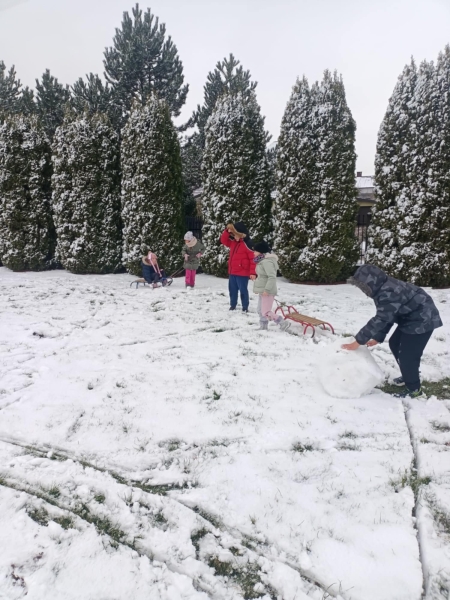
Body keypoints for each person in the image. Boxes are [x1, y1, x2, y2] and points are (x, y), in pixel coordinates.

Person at [342, 264, 443, 399]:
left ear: (371, 282)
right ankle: (409, 375)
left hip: (423, 319)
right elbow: (388, 315)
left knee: (407, 355)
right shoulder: (382, 288)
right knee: (395, 344)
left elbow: (381, 318)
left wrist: (359, 341)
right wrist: (379, 337)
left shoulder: (388, 292)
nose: (363, 290)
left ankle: (414, 390)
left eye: (363, 287)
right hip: (410, 318)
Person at [253, 241, 291, 332]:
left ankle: (283, 322)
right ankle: (263, 326)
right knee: (260, 310)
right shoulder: (261, 261)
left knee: (265, 311)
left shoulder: (267, 262)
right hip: (263, 290)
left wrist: (267, 289)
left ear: (261, 252)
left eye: (255, 251)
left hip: (268, 291)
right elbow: (262, 277)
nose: (253, 252)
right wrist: (258, 288)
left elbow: (271, 277)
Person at [220, 222, 256, 313]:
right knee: (232, 290)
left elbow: (253, 259)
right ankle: (233, 305)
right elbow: (223, 240)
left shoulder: (247, 244)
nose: (234, 237)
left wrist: (253, 272)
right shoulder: (233, 243)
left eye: (235, 235)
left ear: (241, 235)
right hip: (232, 273)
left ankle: (245, 306)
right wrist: (227, 231)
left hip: (242, 273)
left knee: (243, 291)